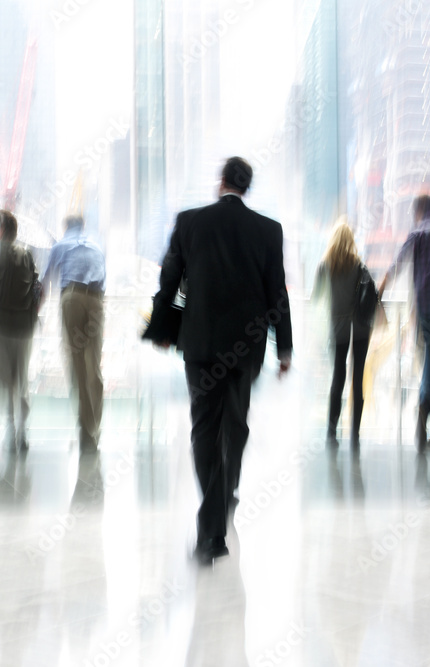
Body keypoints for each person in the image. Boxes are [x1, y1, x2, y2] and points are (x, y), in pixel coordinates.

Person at [158, 157, 293, 565]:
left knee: (204, 429)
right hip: (245, 347)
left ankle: (212, 532)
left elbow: (169, 279)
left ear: (221, 183)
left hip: (200, 344)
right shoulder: (268, 230)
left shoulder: (189, 222)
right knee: (234, 423)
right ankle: (223, 499)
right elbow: (277, 293)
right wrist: (283, 348)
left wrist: (164, 330)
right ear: (247, 187)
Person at [378, 195, 430, 452]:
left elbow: (396, 266)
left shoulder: (417, 235)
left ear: (418, 212)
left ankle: (423, 406)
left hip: (426, 309)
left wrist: (378, 293)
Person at [42, 215, 106, 453]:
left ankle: (85, 430)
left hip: (72, 297)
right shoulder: (97, 244)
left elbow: (46, 279)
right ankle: (96, 428)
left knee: (76, 365)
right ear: (84, 226)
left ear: (65, 226)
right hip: (97, 299)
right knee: (94, 366)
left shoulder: (61, 245)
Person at [312, 221, 374, 450]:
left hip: (337, 330)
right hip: (360, 328)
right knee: (358, 379)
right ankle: (355, 435)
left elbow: (315, 299)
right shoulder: (359, 265)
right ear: (350, 241)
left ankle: (331, 432)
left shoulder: (324, 265)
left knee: (337, 377)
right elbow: (370, 294)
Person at [0, 210, 38, 451]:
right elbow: (37, 288)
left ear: (0, 229)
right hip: (24, 326)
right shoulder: (27, 253)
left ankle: (10, 429)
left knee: (6, 379)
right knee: (22, 378)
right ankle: (23, 432)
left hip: (0, 324)